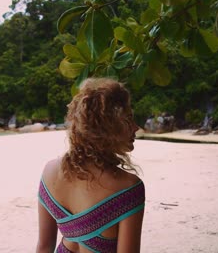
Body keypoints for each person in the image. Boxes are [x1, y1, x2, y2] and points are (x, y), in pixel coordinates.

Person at [37, 78, 145, 253]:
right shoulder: (129, 187)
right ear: (108, 126)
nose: (136, 127)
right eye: (129, 119)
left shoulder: (51, 171)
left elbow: (43, 247)